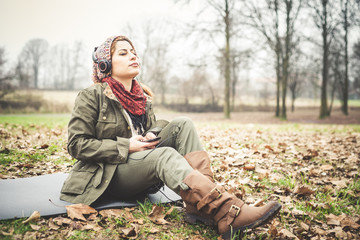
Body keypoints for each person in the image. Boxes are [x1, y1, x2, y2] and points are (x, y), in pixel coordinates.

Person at [60, 35, 281, 239]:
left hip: (139, 166)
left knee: (183, 124)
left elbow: (153, 127)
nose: (133, 56)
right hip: (107, 175)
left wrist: (151, 132)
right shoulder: (92, 95)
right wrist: (127, 145)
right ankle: (226, 212)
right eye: (123, 53)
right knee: (163, 155)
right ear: (104, 65)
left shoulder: (141, 97)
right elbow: (76, 145)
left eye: (133, 51)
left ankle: (200, 208)